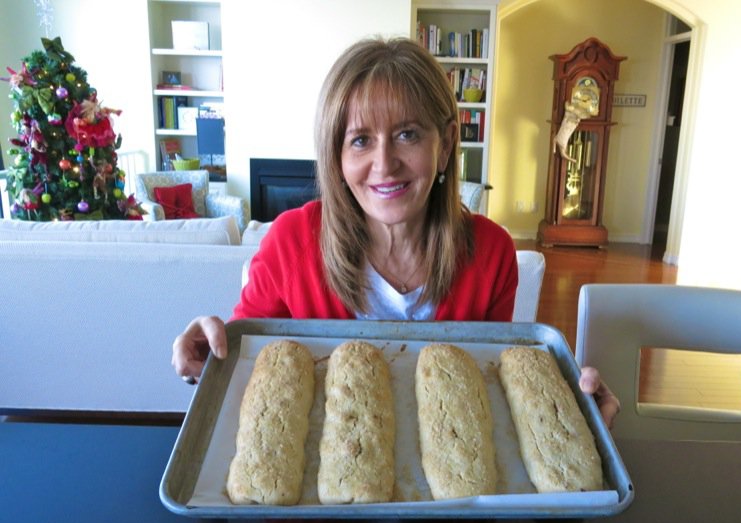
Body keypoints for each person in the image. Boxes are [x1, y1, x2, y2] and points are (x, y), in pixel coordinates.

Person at [172, 37, 619, 428]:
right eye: (360, 140)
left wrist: (571, 413)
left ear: (444, 145)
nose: (384, 165)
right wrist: (206, 357)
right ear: (336, 157)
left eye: (407, 134)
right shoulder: (291, 242)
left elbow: (487, 388)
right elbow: (247, 376)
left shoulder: (490, 252)